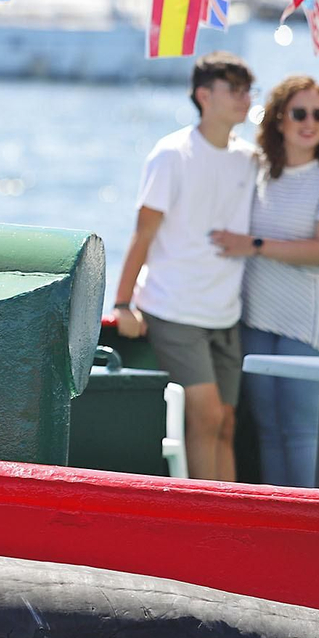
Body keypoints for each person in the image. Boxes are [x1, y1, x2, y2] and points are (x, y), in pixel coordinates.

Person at [209, 76, 319, 487]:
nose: (309, 122)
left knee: (304, 434)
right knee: (269, 434)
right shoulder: (260, 169)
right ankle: (282, 532)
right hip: (259, 317)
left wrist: (253, 245)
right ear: (278, 119)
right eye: (299, 113)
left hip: (315, 322)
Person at [113, 51, 257, 482]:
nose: (244, 98)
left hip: (225, 311)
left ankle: (232, 523)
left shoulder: (251, 159)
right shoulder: (171, 153)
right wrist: (122, 303)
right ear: (203, 95)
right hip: (173, 307)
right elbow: (143, 232)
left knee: (227, 424)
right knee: (207, 415)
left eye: (247, 90)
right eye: (233, 89)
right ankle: (204, 520)